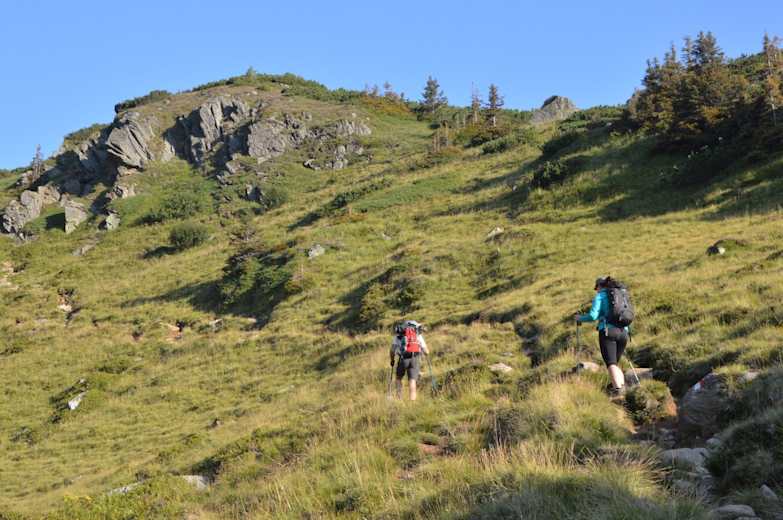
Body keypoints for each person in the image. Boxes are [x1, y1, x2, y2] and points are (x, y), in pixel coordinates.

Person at [574, 276, 630, 396]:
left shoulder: (601, 296)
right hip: (624, 332)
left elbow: (592, 316)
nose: (596, 290)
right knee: (615, 363)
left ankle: (618, 391)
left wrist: (579, 318)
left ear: (600, 286)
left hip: (608, 332)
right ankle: (622, 389)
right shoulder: (621, 295)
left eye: (596, 288)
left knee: (611, 363)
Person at [390, 320, 429, 401]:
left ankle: (399, 399)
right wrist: (425, 354)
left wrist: (392, 360)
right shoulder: (417, 335)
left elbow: (392, 350)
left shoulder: (398, 336)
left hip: (403, 358)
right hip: (415, 358)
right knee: (412, 380)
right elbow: (426, 351)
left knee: (398, 378)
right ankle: (412, 401)